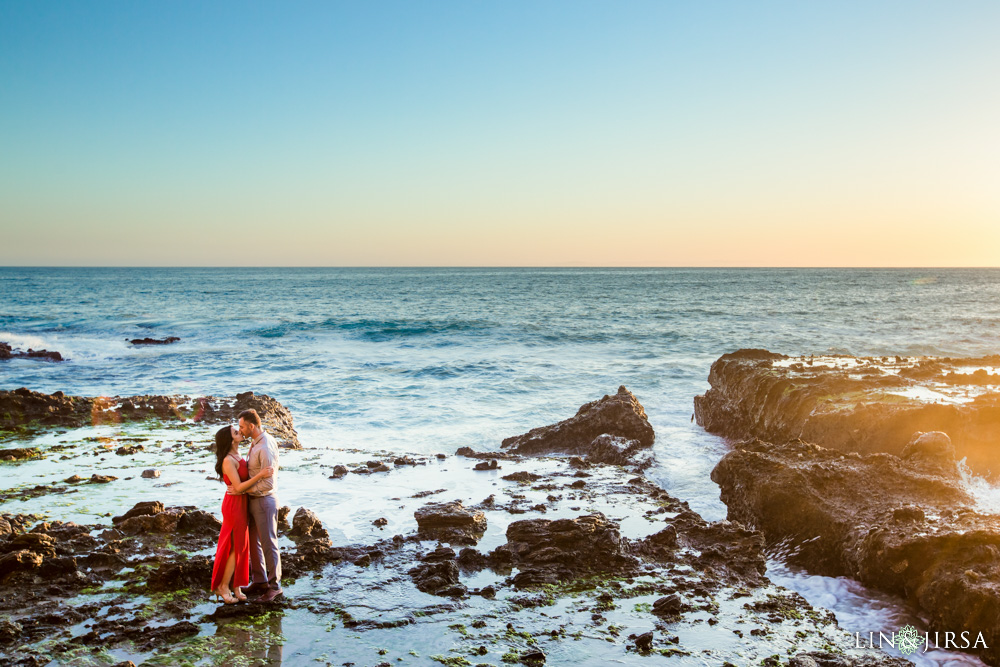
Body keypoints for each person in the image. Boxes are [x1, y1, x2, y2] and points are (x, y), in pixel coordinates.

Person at [210, 424, 274, 604]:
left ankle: (236, 586)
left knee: (241, 546)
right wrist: (261, 474)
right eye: (236, 432)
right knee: (233, 548)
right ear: (230, 440)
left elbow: (240, 487)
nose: (240, 432)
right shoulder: (228, 460)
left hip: (241, 503)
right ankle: (223, 586)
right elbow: (237, 487)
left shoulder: (239, 455)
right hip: (233, 506)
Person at [230, 408, 283, 603]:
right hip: (253, 500)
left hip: (263, 500)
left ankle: (275, 587)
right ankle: (260, 581)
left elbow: (268, 483)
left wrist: (243, 490)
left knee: (269, 543)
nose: (240, 430)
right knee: (254, 543)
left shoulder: (265, 446)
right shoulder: (255, 442)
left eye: (242, 426)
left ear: (252, 426)